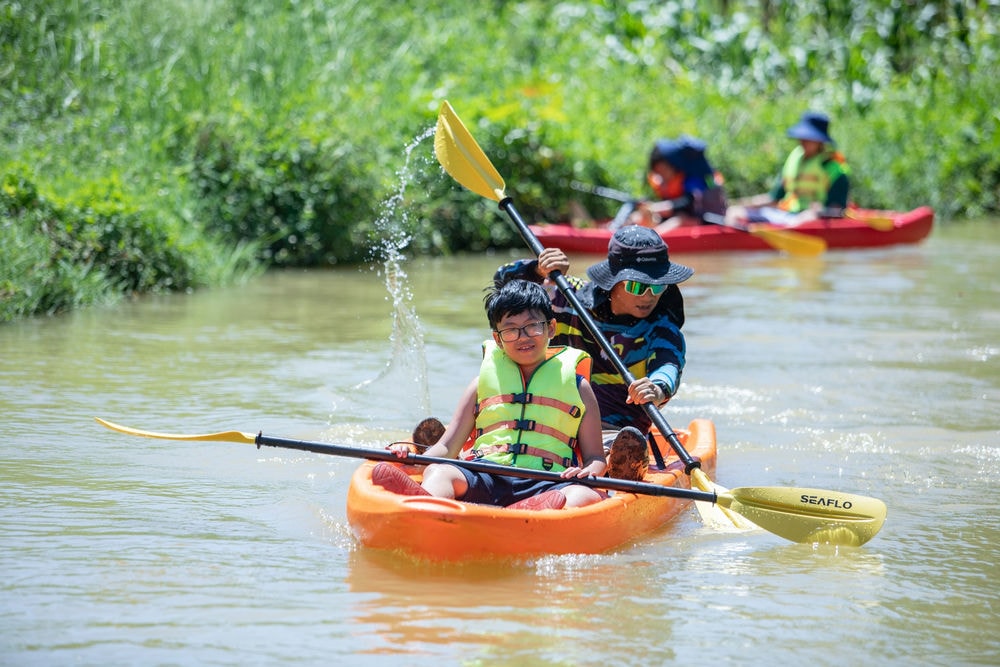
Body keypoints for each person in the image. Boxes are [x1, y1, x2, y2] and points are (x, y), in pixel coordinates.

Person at [372, 279, 609, 509]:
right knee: (439, 471)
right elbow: (446, 448)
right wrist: (409, 463)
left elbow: (596, 457)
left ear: (551, 328)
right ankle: (426, 509)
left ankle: (531, 514)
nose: (523, 337)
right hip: (486, 476)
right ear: (497, 338)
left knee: (582, 495)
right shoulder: (479, 386)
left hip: (548, 483)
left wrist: (589, 471)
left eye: (532, 326)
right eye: (511, 330)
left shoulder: (579, 388)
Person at [494, 226, 694, 480]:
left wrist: (656, 389)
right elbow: (501, 286)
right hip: (550, 421)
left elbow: (668, 367)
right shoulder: (567, 296)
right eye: (637, 286)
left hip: (615, 432)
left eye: (658, 287)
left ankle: (623, 464)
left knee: (622, 444)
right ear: (613, 282)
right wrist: (537, 270)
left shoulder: (662, 329)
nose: (648, 296)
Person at [728, 111, 850, 226]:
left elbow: (837, 211)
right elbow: (774, 199)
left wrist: (818, 212)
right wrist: (738, 204)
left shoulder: (834, 168)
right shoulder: (794, 161)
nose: (802, 141)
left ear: (820, 141)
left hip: (813, 221)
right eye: (802, 137)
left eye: (809, 138)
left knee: (805, 219)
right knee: (735, 212)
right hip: (787, 216)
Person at [629, 135, 728, 230]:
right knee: (637, 217)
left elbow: (688, 202)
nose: (661, 176)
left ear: (673, 166)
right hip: (679, 216)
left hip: (706, 220)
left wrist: (660, 207)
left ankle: (652, 242)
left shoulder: (694, 178)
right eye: (658, 172)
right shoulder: (668, 181)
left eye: (663, 170)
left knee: (679, 220)